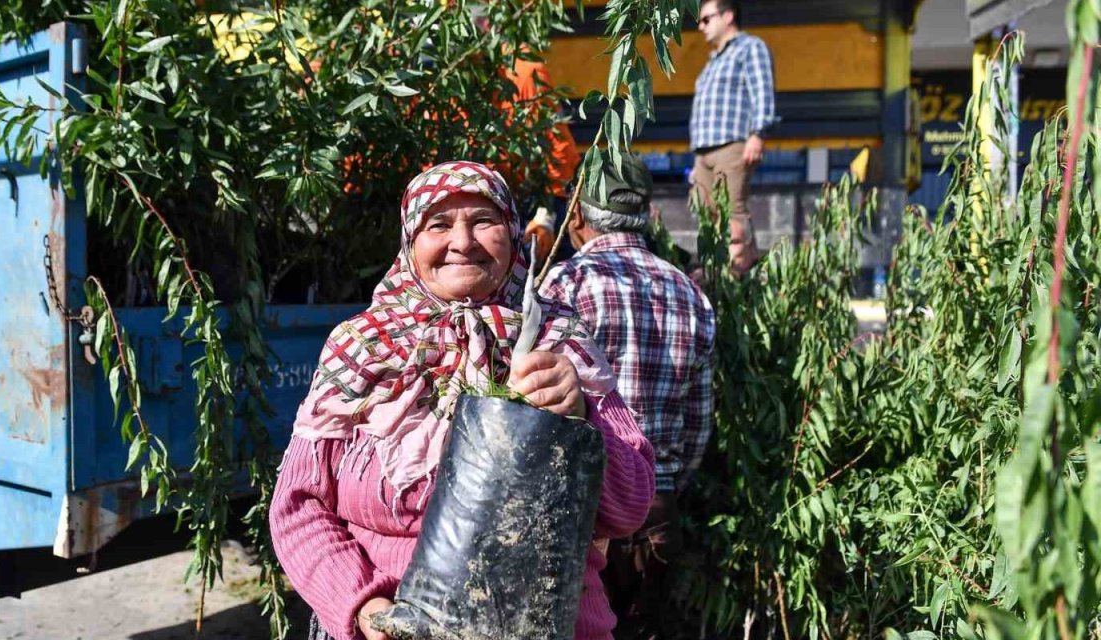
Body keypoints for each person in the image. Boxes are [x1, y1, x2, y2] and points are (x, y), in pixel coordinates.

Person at [269, 161, 655, 640]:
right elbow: (298, 508)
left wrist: (580, 416)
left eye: (484, 222)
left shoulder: (557, 342)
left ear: (514, 238)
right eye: (439, 224)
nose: (462, 241)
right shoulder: (361, 347)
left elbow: (630, 508)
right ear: (411, 242)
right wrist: (363, 605)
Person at [540, 154, 716, 640]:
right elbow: (698, 423)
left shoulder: (566, 282)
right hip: (656, 513)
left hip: (585, 511)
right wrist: (661, 488)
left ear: (576, 213)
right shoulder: (689, 291)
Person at [689, 0, 777, 275]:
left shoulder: (750, 48)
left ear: (728, 16)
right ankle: (715, 273)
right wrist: (696, 161)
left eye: (706, 19)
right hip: (704, 150)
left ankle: (740, 276)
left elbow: (762, 91)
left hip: (733, 144)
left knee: (732, 214)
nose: (701, 26)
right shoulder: (713, 60)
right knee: (706, 213)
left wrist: (758, 134)